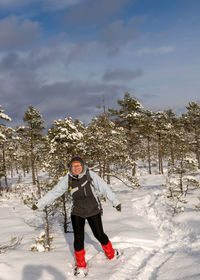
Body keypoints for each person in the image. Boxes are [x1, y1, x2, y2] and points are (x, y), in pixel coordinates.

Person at [32, 156, 121, 276]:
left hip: (93, 210)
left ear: (82, 166)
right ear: (70, 167)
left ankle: (111, 254)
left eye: (78, 165)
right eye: (74, 166)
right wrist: (39, 203)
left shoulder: (90, 175)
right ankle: (81, 266)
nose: (76, 168)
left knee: (99, 234)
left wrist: (115, 201)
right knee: (78, 239)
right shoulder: (67, 179)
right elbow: (55, 192)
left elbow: (104, 187)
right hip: (77, 212)